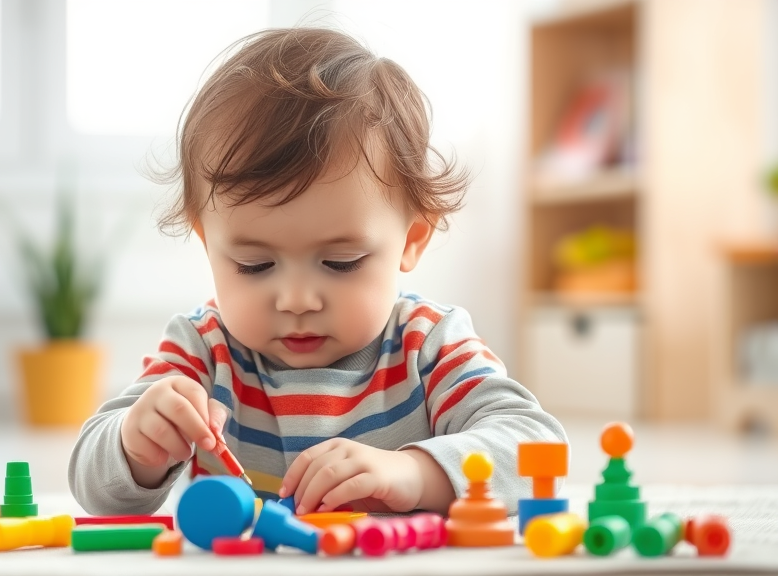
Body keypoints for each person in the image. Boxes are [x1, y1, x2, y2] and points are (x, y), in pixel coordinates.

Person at [69, 27, 566, 517]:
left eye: (340, 263)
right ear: (208, 244)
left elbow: (539, 452)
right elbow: (94, 485)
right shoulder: (203, 350)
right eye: (254, 265)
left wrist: (415, 474)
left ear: (411, 240)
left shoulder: (429, 345)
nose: (297, 299)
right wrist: (137, 448)